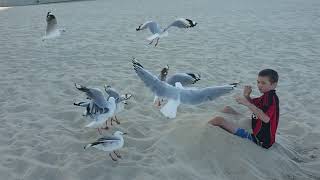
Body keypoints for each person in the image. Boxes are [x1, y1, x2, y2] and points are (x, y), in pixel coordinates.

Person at [208, 69, 279, 149]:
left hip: (260, 140)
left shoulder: (271, 98)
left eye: (263, 83)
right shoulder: (266, 95)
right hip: (254, 124)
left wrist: (247, 103)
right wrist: (247, 96)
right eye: (258, 82)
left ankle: (203, 131)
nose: (259, 85)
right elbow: (254, 105)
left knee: (218, 120)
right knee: (227, 109)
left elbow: (266, 118)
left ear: (274, 85)